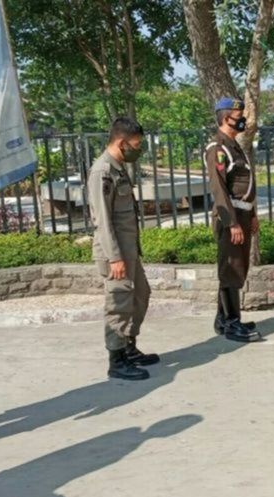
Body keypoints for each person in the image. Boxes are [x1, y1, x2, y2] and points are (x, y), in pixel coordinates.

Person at [88, 117, 159, 380]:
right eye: (136, 145)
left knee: (140, 295)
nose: (138, 150)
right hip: (115, 253)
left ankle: (129, 347)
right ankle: (116, 361)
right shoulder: (103, 171)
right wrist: (115, 258)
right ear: (121, 142)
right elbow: (103, 221)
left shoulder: (117, 168)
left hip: (129, 251)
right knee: (118, 304)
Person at [205, 97, 262, 343]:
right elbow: (219, 190)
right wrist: (232, 223)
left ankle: (223, 319)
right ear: (225, 117)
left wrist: (252, 215)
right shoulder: (217, 148)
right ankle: (231, 323)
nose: (243, 120)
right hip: (231, 217)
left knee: (236, 269)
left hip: (243, 214)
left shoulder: (235, 146)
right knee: (231, 270)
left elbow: (245, 186)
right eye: (239, 117)